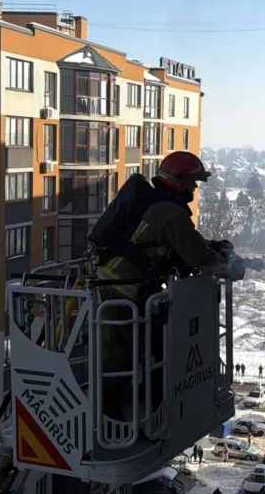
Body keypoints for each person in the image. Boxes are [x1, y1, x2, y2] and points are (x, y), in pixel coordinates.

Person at [92, 151, 236, 422]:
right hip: (123, 292)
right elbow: (199, 256)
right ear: (178, 182)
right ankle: (106, 419)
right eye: (192, 182)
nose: (194, 188)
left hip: (123, 287)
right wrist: (227, 265)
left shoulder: (161, 205)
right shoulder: (170, 212)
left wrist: (214, 248)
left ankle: (133, 407)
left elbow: (181, 246)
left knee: (144, 350)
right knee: (119, 360)